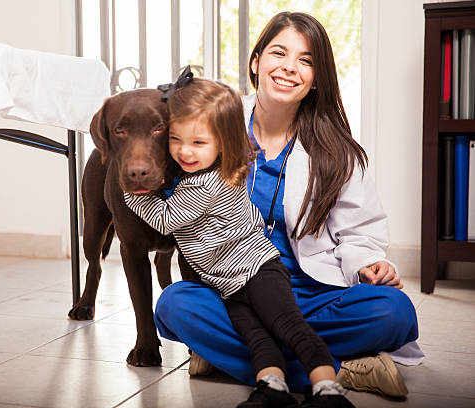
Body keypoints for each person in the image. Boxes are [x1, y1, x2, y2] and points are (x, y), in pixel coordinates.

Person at [152, 11, 422, 399]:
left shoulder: (337, 151)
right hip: (234, 289)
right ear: (256, 62)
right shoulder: (210, 126)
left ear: (317, 81)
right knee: (176, 305)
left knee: (393, 311)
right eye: (279, 53)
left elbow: (361, 233)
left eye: (306, 60)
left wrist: (368, 266)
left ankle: (238, 358)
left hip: (314, 294)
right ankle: (343, 370)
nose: (290, 68)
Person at [124, 73, 355, 407]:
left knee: (291, 327)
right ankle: (271, 387)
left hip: (259, 273)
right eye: (175, 139)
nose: (185, 151)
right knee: (257, 336)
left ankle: (329, 390)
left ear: (224, 142)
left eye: (198, 143)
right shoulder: (215, 171)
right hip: (229, 284)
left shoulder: (206, 185)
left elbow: (165, 219)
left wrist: (133, 191)